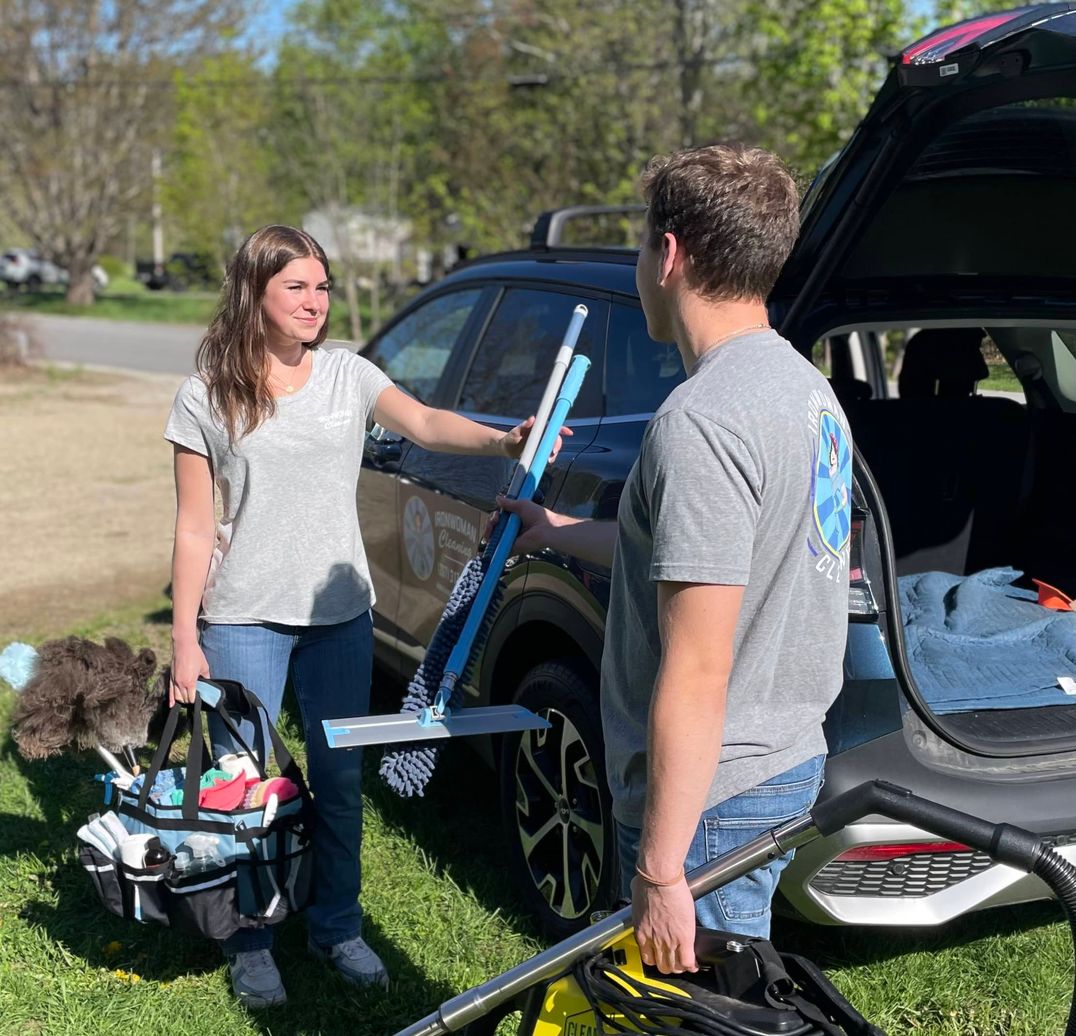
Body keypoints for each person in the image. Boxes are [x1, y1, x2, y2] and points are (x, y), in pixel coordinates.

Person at [164, 224, 566, 1009]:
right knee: (245, 791)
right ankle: (252, 940)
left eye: (322, 287)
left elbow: (422, 423)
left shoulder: (348, 374)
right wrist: (186, 639)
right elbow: (190, 525)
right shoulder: (206, 393)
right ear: (254, 293)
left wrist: (505, 438)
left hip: (341, 614)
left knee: (340, 783)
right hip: (243, 617)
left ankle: (336, 925)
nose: (315, 303)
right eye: (297, 288)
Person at [498, 144, 853, 977]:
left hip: (712, 796)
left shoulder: (702, 421)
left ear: (669, 254)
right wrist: (552, 529)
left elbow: (697, 664)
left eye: (639, 244)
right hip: (782, 756)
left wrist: (660, 869)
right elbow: (704, 565)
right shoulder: (806, 389)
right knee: (738, 997)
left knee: (690, 1011)